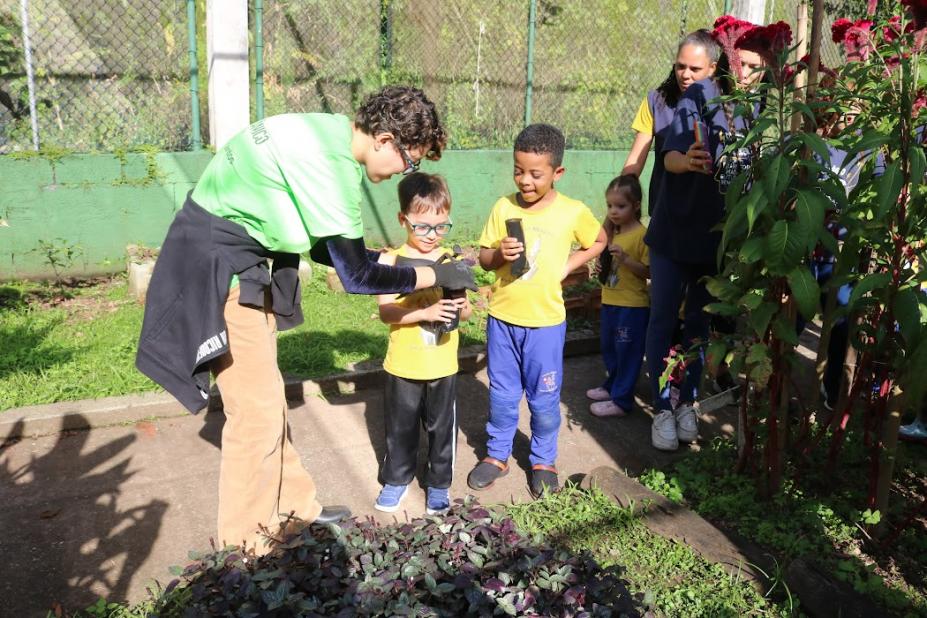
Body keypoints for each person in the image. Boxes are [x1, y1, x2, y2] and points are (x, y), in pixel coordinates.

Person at [136, 86, 476, 554]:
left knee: (268, 399)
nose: (404, 172)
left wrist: (406, 265)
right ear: (385, 139)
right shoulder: (332, 168)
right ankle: (248, 551)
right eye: (408, 161)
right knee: (254, 416)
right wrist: (433, 273)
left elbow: (326, 249)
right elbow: (355, 275)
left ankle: (295, 509)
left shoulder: (328, 131)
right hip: (217, 268)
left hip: (235, 256)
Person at [645, 17, 771, 452]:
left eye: (755, 67)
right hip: (672, 232)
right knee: (663, 318)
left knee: (699, 324)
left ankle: (687, 403)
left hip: (715, 238)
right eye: (742, 64)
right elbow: (670, 157)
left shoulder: (757, 107)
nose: (747, 74)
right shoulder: (696, 97)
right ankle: (661, 406)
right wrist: (688, 161)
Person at [466, 123, 607, 497]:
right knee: (502, 394)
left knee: (544, 400)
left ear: (557, 172)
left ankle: (543, 460)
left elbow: (599, 240)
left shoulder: (572, 211)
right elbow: (484, 259)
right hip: (503, 320)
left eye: (535, 174)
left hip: (545, 325)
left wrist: (569, 265)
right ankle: (497, 455)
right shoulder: (503, 206)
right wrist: (499, 254)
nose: (524, 180)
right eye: (518, 170)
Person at [373, 172, 472, 515]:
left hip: (442, 365)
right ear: (403, 219)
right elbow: (386, 312)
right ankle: (396, 479)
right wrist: (425, 312)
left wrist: (462, 306)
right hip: (403, 364)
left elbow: (467, 312)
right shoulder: (390, 261)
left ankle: (439, 484)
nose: (433, 235)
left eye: (441, 226)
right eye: (423, 227)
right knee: (400, 428)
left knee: (442, 429)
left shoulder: (451, 261)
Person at [621, 29, 720, 216]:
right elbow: (635, 161)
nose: (685, 74)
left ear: (712, 68)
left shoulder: (725, 106)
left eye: (695, 69)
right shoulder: (656, 101)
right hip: (664, 211)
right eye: (680, 66)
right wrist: (617, 205)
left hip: (709, 213)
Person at [586, 175, 650, 418]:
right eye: (610, 205)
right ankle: (612, 386)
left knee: (627, 352)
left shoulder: (642, 235)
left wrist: (625, 259)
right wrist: (601, 267)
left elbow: (648, 272)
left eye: (620, 206)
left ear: (636, 205)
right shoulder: (612, 234)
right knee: (609, 348)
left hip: (632, 307)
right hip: (610, 301)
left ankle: (622, 401)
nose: (613, 211)